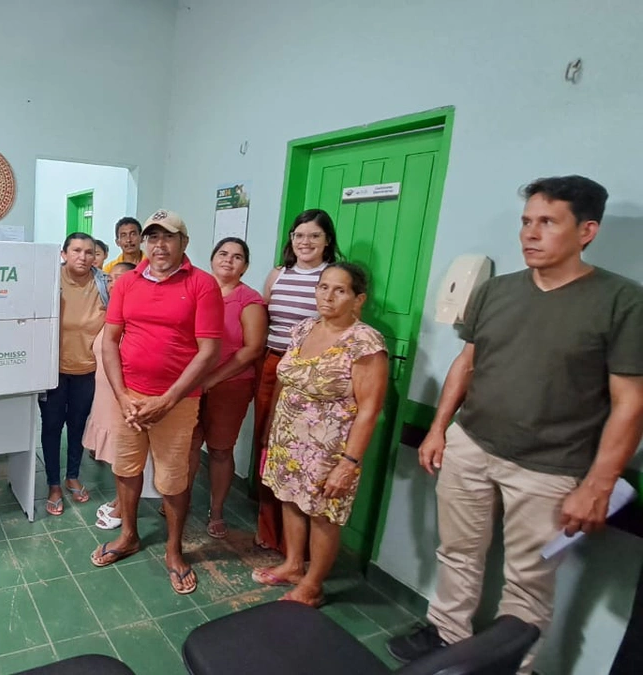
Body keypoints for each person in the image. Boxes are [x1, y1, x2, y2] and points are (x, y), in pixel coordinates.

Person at [386, 176, 643, 675]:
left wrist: (599, 483)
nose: (530, 233)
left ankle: (512, 666)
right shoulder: (496, 292)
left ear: (586, 231)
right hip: (471, 445)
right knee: (457, 552)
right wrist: (440, 428)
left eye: (547, 222)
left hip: (550, 467)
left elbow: (630, 403)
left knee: (530, 581)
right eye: (527, 221)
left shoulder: (621, 301)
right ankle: (446, 635)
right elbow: (467, 362)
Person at [91, 209, 223, 595]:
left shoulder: (202, 285)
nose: (159, 245)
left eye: (168, 237)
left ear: (184, 242)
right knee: (127, 467)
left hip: (177, 401)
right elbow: (111, 341)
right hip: (129, 399)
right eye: (153, 237)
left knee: (172, 477)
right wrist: (123, 395)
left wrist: (167, 399)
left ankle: (173, 550)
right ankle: (128, 536)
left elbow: (209, 351)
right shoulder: (128, 282)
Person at [252, 263, 387, 608]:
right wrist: (270, 433)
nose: (327, 296)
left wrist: (349, 462)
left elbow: (370, 409)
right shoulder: (303, 329)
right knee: (289, 498)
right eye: (323, 287)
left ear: (358, 299)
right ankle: (295, 564)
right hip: (288, 439)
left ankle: (313, 585)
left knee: (323, 513)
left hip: (330, 449)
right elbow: (284, 382)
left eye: (339, 290)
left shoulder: (365, 342)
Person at [253, 209, 341, 552]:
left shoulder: (331, 277)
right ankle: (270, 530)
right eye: (299, 235)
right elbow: (263, 319)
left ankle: (299, 543)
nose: (305, 242)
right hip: (272, 365)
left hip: (312, 373)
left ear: (327, 241)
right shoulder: (278, 274)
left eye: (314, 236)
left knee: (304, 453)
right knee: (267, 446)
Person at [188, 237, 267, 538]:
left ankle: (217, 509)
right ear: (211, 259)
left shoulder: (249, 300)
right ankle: (178, 500)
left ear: (245, 266)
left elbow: (251, 349)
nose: (228, 260)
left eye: (237, 257)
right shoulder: (198, 291)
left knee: (220, 449)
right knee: (189, 445)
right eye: (222, 254)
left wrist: (213, 379)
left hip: (231, 384)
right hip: (192, 381)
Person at [41, 233, 107, 516]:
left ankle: (72, 476)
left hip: (88, 370)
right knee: (52, 426)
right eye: (76, 250)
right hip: (52, 371)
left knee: (78, 425)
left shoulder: (104, 283)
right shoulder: (49, 280)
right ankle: (53, 483)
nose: (83, 256)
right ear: (64, 253)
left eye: (89, 252)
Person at [82, 261, 137, 529]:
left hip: (121, 394)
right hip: (103, 392)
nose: (114, 283)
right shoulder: (109, 311)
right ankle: (119, 501)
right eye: (111, 279)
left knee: (122, 453)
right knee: (116, 454)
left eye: (122, 278)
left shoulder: (136, 315)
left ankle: (125, 510)